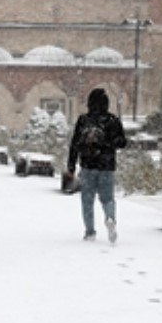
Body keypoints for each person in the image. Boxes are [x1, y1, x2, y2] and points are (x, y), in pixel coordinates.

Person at [67, 87, 129, 242]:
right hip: (107, 166)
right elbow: (122, 143)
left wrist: (71, 166)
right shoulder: (113, 121)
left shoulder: (83, 120)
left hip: (87, 166)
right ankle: (110, 218)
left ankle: (90, 232)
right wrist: (109, 144)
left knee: (87, 201)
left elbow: (74, 144)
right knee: (107, 199)